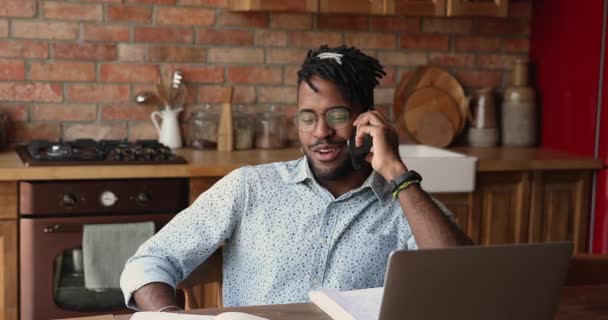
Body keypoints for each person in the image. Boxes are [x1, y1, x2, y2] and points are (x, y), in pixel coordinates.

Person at [120, 44, 473, 312]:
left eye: (336, 115)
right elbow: (148, 263)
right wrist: (168, 317)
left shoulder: (405, 202)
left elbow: (464, 281)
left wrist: (396, 171)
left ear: (368, 120)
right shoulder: (249, 188)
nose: (321, 132)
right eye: (307, 117)